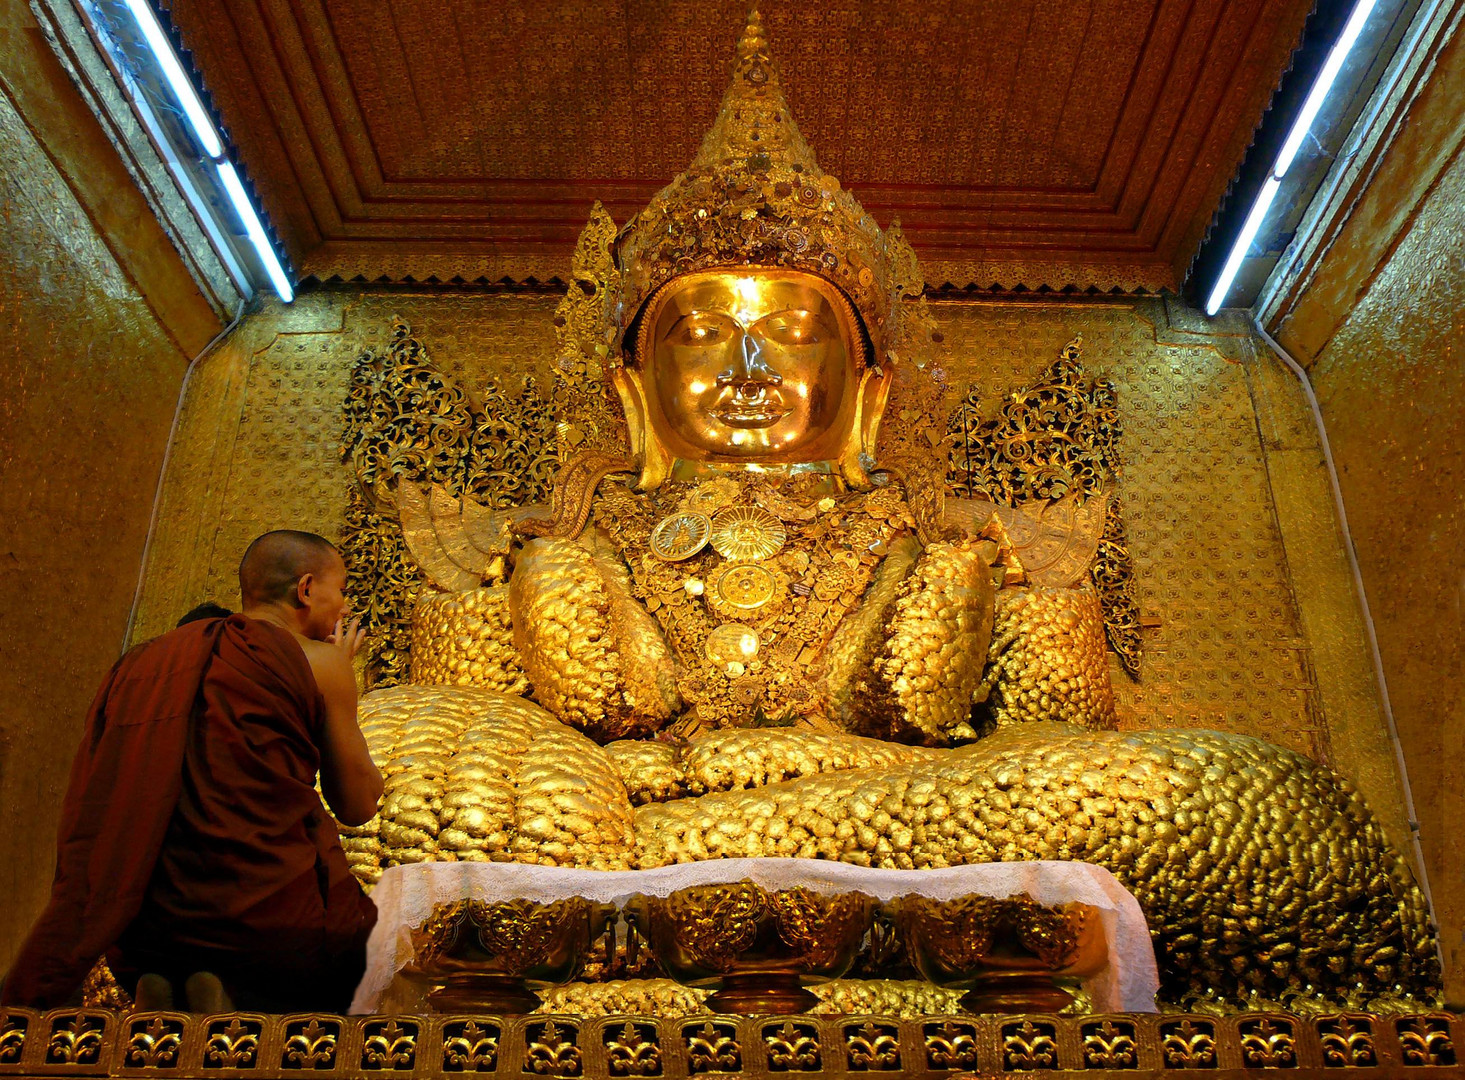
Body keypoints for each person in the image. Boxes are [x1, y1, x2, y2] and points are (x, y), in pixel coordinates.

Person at [1, 530, 383, 1013]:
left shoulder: (143, 662)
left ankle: (171, 982)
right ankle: (231, 988)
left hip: (142, 921)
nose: (344, 607)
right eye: (343, 589)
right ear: (306, 589)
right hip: (264, 916)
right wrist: (345, 682)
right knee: (364, 946)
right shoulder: (322, 663)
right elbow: (358, 804)